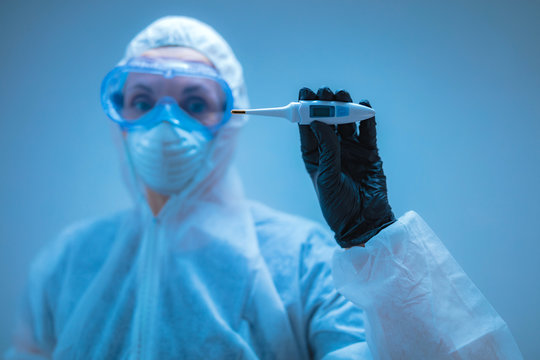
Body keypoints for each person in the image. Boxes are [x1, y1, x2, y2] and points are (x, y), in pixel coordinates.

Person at [6, 16, 522, 360]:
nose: (165, 124)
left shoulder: (303, 262)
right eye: (142, 101)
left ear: (230, 121)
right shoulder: (66, 264)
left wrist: (375, 240)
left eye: (193, 103)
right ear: (119, 117)